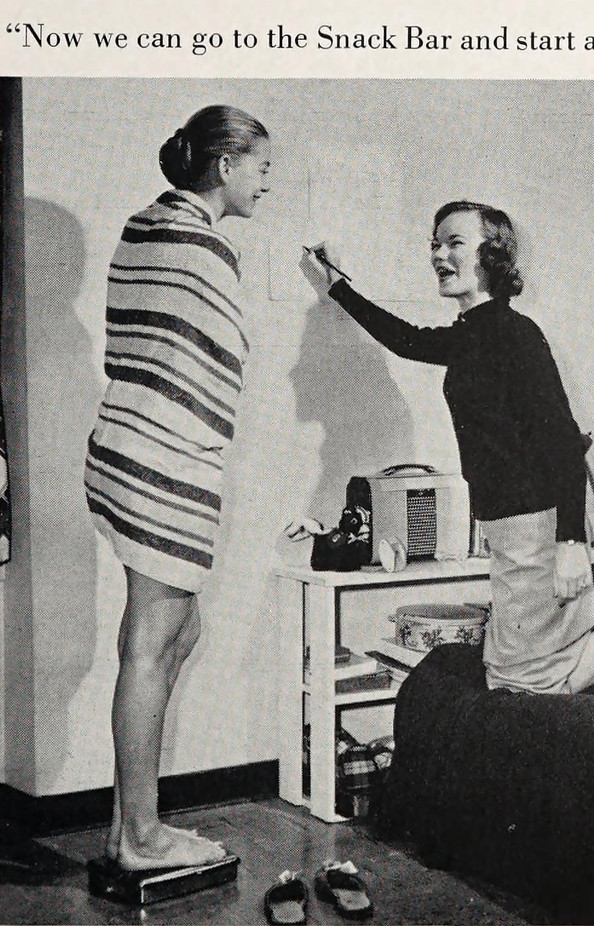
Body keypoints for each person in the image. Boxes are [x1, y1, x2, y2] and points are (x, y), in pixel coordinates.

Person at [297, 200, 594, 696]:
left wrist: (571, 545)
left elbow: (563, 442)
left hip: (536, 525)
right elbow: (406, 340)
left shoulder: (515, 334)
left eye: (455, 242)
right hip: (507, 525)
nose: (438, 254)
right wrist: (335, 286)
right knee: (511, 674)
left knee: (526, 683)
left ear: (493, 254)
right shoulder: (474, 332)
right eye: (434, 243)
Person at [84, 105, 270, 870]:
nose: (265, 183)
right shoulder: (206, 245)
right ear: (225, 166)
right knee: (152, 644)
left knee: (171, 633)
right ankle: (141, 838)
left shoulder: (144, 226)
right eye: (260, 167)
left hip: (121, 446)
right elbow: (220, 362)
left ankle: (125, 826)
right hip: (164, 459)